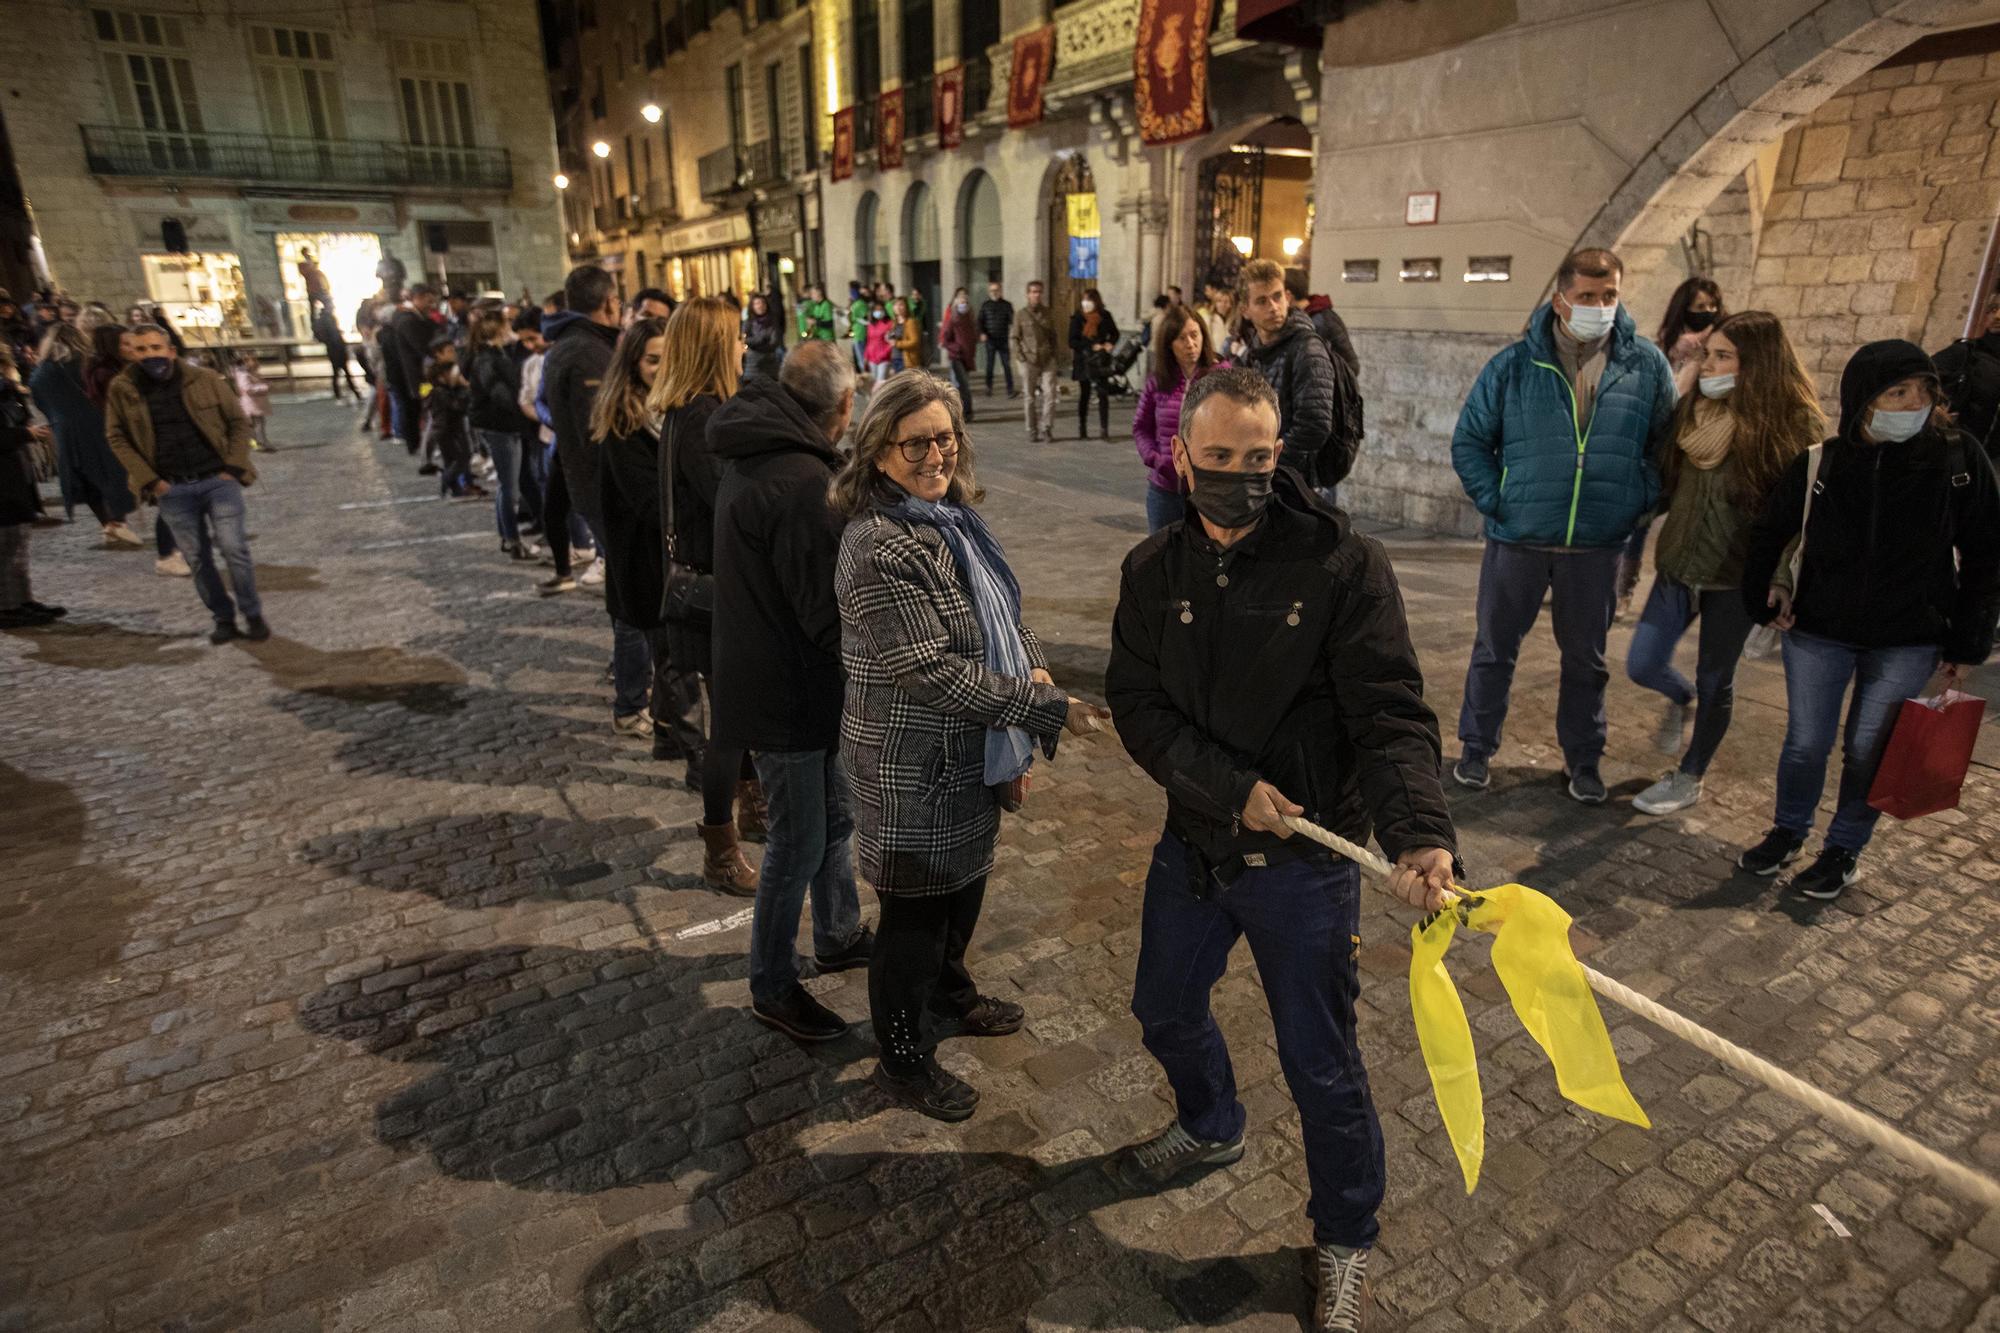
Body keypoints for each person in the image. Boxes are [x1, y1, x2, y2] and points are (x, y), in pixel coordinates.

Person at [1104, 367, 1458, 1333]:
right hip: (1198, 845)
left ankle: (1344, 1234)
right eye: (1219, 459)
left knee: (1322, 1063)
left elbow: (1390, 715)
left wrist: (1419, 831)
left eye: (1259, 460)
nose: (1240, 479)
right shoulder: (1151, 571)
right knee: (1163, 1006)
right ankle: (1211, 1122)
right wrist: (1225, 791)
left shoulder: (1342, 563)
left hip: (1304, 869)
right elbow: (1135, 707)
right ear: (1181, 457)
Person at [831, 369, 1107, 1118]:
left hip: (969, 760)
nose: (935, 454)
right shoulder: (879, 544)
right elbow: (931, 673)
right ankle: (901, 1058)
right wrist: (1044, 704)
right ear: (879, 449)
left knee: (963, 893)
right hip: (911, 766)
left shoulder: (952, 519)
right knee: (913, 921)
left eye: (945, 437)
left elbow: (1001, 610)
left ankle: (950, 997)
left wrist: (1035, 657)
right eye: (915, 441)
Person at [1738, 340, 2000, 900]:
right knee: (1806, 743)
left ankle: (1843, 849)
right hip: (1818, 629)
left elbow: (1986, 553)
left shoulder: (1957, 458)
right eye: (1897, 392)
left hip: (1908, 636)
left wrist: (1968, 638)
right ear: (1863, 400)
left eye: (1923, 392)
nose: (1913, 404)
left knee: (1866, 747)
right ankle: (1787, 831)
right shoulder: (1824, 460)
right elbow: (1769, 530)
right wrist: (1762, 597)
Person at [1449, 247, 1675, 803]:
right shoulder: (1513, 365)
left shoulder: (1644, 365)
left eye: (1609, 296)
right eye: (1587, 297)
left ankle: (1584, 761)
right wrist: (1498, 499)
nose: (1600, 307)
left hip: (1596, 544)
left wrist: (1634, 502)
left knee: (1587, 662)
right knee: (1494, 650)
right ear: (1560, 299)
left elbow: (1666, 450)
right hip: (1518, 538)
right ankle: (1477, 750)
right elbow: (1471, 441)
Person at [708, 340, 872, 1040]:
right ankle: (772, 984)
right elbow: (825, 613)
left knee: (831, 820)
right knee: (797, 843)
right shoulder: (803, 480)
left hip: (775, 678)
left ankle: (837, 931)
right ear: (843, 404)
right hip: (790, 692)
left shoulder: (764, 449)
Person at [1625, 312, 1823, 816]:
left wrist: (1780, 577)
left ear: (1755, 363)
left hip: (1735, 578)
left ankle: (1690, 776)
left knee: (1718, 680)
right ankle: (1681, 697)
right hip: (1678, 565)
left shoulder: (1793, 424)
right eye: (1708, 353)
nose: (1709, 363)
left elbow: (1797, 517)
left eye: (1722, 355)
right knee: (1643, 662)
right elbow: (1667, 484)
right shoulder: (1694, 411)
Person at [649, 298, 761, 889]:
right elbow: (729, 501)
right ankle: (720, 850)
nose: (744, 346)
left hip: (707, 587)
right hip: (712, 594)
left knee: (738, 714)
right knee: (732, 725)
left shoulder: (690, 410)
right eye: (736, 337)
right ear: (716, 346)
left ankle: (751, 808)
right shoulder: (702, 417)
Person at [104, 323, 269, 644]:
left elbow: (237, 422)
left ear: (170, 350)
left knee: (234, 548)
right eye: (141, 349)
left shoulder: (204, 380)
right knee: (197, 558)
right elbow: (117, 436)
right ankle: (222, 617)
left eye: (155, 347)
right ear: (131, 353)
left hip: (217, 480)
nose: (149, 354)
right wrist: (151, 481)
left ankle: (252, 613)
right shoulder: (123, 389)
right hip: (172, 487)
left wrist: (234, 467)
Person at [592, 314, 706, 762]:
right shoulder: (626, 421)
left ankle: (665, 735)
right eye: (652, 359)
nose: (660, 367)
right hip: (644, 562)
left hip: (664, 556)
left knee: (671, 656)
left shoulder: (672, 411)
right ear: (633, 363)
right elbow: (648, 502)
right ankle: (697, 755)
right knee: (675, 660)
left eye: (667, 358)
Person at [546, 265, 650, 732]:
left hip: (594, 488)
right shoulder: (588, 353)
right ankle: (632, 700)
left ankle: (633, 687)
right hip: (608, 493)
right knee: (633, 597)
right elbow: (604, 431)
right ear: (609, 304)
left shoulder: (570, 345)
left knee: (627, 595)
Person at [1616, 276, 1729, 620]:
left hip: (1686, 451)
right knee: (1636, 521)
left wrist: (1697, 361)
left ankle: (1632, 593)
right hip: (1653, 446)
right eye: (1699, 307)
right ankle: (1617, 589)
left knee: (1650, 520)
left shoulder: (1715, 354)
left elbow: (1677, 397)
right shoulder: (1663, 347)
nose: (1707, 313)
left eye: (1711, 307)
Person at [28, 323, 139, 547]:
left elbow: (40, 402)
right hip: (96, 425)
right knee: (109, 474)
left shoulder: (39, 373)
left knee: (84, 479)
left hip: (64, 431)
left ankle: (107, 523)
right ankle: (118, 522)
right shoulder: (84, 364)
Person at [1242, 258, 1345, 496]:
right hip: (1272, 478)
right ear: (1245, 310)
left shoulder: (1306, 347)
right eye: (1262, 301)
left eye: (1277, 297)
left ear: (1287, 297)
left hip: (1300, 483)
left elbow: (1314, 425)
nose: (1273, 307)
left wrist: (1267, 461)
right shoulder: (1256, 349)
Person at [1132, 302, 1223, 533]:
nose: (1191, 344)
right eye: (1182, 338)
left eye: (1195, 335)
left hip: (1207, 490)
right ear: (1169, 344)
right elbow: (1141, 427)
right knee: (1163, 558)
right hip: (1164, 489)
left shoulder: (1220, 378)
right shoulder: (1158, 380)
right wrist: (1155, 458)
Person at [0, 347, 63, 627]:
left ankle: (23, 600)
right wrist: (25, 433)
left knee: (18, 546)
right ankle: (6, 607)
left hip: (14, 478)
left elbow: (18, 415)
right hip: (3, 484)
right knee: (5, 548)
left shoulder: (6, 391)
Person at [466, 309, 537, 560]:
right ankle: (513, 540)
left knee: (507, 485)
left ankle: (508, 537)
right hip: (501, 426)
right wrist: (522, 407)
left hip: (502, 425)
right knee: (510, 487)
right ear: (498, 331)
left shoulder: (493, 355)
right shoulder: (488, 358)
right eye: (507, 325)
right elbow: (499, 394)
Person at [1932, 289, 2000, 464]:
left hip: (1990, 471)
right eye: (1992, 309)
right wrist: (1935, 412)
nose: (1997, 316)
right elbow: (1916, 381)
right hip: (1948, 459)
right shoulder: (1965, 353)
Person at [384, 284, 440, 462]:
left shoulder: (409, 319)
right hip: (421, 378)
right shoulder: (408, 321)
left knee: (422, 410)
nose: (431, 304)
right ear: (418, 298)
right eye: (428, 300)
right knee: (428, 409)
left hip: (418, 376)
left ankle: (418, 444)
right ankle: (420, 447)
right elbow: (422, 348)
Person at [421, 337, 481, 500]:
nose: (453, 354)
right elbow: (456, 405)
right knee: (461, 458)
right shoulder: (439, 389)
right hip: (447, 428)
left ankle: (458, 489)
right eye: (449, 351)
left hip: (448, 427)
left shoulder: (443, 387)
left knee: (453, 459)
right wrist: (465, 387)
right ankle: (447, 483)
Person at [1285, 268, 1361, 376]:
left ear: (1288, 296)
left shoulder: (1321, 320)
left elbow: (1352, 365)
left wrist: (1320, 381)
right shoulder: (1297, 318)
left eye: (1277, 295)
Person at [1068, 287, 1118, 440]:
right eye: (1084, 300)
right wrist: (1090, 346)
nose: (1086, 303)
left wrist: (1109, 343)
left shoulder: (1105, 315)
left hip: (1100, 361)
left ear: (1096, 301)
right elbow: (1072, 341)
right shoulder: (1077, 317)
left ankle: (1104, 429)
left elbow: (1115, 333)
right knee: (1085, 394)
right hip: (1083, 360)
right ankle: (1082, 428)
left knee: (1103, 394)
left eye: (1089, 300)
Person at [1013, 279, 1060, 443]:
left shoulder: (1048, 313)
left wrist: (1054, 355)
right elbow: (1015, 337)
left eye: (1039, 292)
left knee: (1050, 394)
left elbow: (1054, 336)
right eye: (1033, 292)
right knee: (1030, 396)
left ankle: (1046, 427)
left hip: (1047, 358)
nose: (1036, 295)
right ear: (1028, 294)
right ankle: (1031, 429)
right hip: (1029, 358)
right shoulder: (1021, 314)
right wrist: (1021, 356)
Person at [939, 288, 978, 421]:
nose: (963, 305)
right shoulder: (952, 321)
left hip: (968, 358)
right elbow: (945, 339)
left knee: (963, 385)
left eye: (965, 302)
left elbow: (974, 338)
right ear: (956, 304)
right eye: (961, 302)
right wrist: (957, 348)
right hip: (956, 357)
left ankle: (964, 413)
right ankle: (963, 413)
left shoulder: (971, 321)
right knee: (960, 385)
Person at [312, 305, 362, 401]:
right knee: (345, 372)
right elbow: (335, 336)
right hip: (337, 350)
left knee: (337, 372)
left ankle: (338, 392)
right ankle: (354, 392)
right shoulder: (329, 320)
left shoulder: (320, 320)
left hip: (331, 350)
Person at [976, 279, 1016, 397]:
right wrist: (982, 333)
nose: (994, 292)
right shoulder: (985, 305)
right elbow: (980, 321)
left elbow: (1013, 320)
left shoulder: (1007, 305)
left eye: (996, 290)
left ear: (1000, 291)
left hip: (1003, 339)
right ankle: (988, 387)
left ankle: (1010, 389)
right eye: (992, 290)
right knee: (990, 365)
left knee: (1006, 365)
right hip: (990, 340)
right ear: (989, 292)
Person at [229, 352, 273, 452]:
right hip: (252, 403)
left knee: (254, 424)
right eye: (254, 360)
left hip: (254, 402)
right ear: (246, 363)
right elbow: (247, 389)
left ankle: (256, 444)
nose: (257, 362)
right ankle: (261, 443)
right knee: (258, 423)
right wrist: (265, 387)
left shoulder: (250, 373)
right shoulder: (244, 375)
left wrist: (264, 382)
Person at [743, 292, 786, 380]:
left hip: (770, 363)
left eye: (763, 303)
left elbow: (774, 342)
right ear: (752, 306)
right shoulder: (749, 322)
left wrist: (756, 343)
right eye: (757, 303)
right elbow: (744, 339)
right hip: (753, 364)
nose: (760, 306)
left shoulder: (773, 321)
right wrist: (761, 338)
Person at [864, 300, 896, 385]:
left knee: (881, 383)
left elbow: (891, 342)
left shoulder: (890, 324)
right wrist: (866, 356)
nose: (878, 312)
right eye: (876, 310)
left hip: (884, 358)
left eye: (880, 309)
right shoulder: (871, 325)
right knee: (874, 383)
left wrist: (884, 353)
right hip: (872, 358)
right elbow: (869, 340)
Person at [891, 297, 921, 376]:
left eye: (901, 305)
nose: (898, 307)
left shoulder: (910, 322)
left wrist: (897, 343)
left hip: (906, 360)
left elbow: (915, 341)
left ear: (906, 307)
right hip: (895, 358)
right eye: (895, 305)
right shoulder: (894, 322)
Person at [297, 247, 331, 316]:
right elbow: (305, 272)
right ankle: (315, 324)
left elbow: (322, 278)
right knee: (313, 311)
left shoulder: (315, 268)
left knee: (328, 305)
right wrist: (311, 263)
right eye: (306, 253)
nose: (308, 255)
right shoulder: (303, 265)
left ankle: (328, 319)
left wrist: (326, 289)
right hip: (312, 290)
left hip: (320, 289)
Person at [848, 289, 874, 373]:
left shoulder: (860, 304)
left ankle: (867, 374)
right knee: (859, 358)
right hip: (857, 332)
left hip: (860, 333)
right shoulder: (856, 304)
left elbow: (866, 318)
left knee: (862, 358)